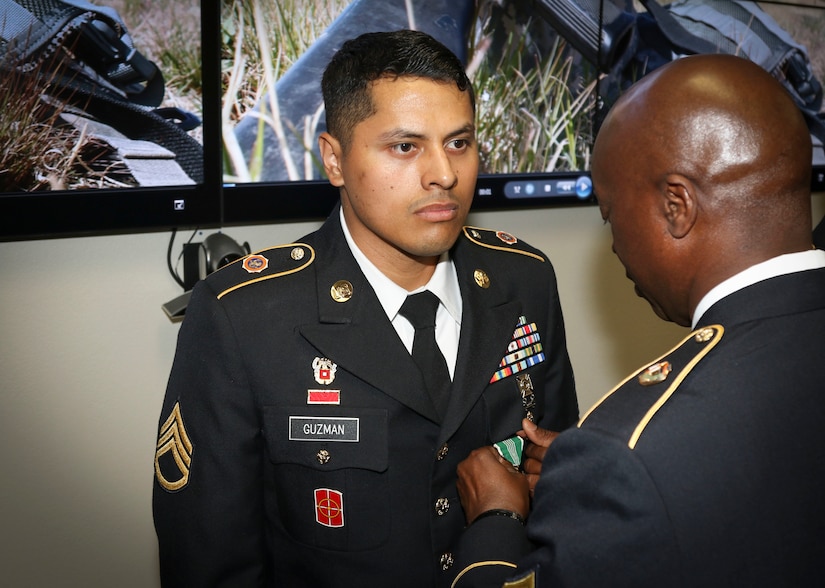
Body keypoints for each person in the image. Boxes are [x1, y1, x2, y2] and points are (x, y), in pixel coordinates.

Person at [152, 29, 578, 587]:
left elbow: (562, 493)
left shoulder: (525, 279)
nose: (444, 175)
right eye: (405, 146)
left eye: (459, 142)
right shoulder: (243, 318)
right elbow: (210, 563)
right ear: (334, 159)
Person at [450, 53, 825, 587]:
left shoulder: (629, 450)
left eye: (610, 213)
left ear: (677, 205)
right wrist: (603, 476)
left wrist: (496, 521)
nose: (614, 245)